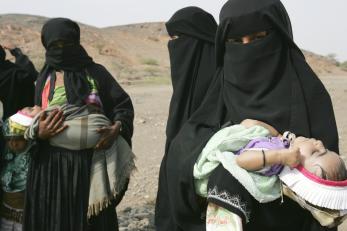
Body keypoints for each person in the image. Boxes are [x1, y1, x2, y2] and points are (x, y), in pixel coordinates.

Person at [157, 0, 339, 230]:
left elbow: (326, 185)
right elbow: (185, 146)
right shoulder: (221, 89)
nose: (247, 48)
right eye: (235, 41)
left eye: (258, 37)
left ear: (279, 35)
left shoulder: (310, 96)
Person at [23, 18, 134, 231]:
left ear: (77, 42)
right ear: (46, 46)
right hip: (49, 167)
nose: (61, 50)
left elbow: (122, 105)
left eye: (66, 44)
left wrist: (116, 128)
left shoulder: (96, 73)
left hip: (87, 165)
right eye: (55, 46)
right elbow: (35, 116)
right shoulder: (44, 79)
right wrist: (40, 132)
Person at [193, 119, 347, 229]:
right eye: (325, 148)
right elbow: (263, 129)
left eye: (315, 153)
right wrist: (264, 129)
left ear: (298, 170)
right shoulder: (284, 142)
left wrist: (279, 157)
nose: (319, 143)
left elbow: (242, 160)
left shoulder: (273, 162)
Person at [155, 7, 218, 228]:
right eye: (172, 39)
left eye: (179, 38)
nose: (174, 45)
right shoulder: (184, 89)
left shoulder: (226, 81)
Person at [0, 43, 37, 121]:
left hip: (10, 120)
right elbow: (32, 74)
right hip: (31, 118)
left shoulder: (11, 72)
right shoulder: (18, 72)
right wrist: (17, 53)